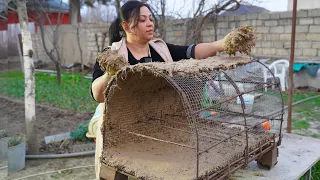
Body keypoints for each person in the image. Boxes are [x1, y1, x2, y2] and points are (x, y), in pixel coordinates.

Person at [89, 1, 230, 179]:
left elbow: (192, 51)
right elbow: (98, 95)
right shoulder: (112, 55)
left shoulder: (161, 49)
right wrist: (110, 73)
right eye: (142, 20)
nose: (150, 23)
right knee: (118, 170)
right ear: (126, 26)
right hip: (121, 127)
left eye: (150, 18)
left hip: (155, 122)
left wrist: (222, 45)